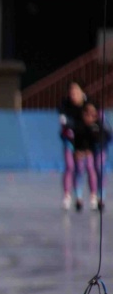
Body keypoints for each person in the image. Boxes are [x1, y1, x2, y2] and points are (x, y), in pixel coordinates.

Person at [73, 102, 111, 211]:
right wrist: (80, 151)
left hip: (99, 149)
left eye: (92, 113)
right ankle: (80, 197)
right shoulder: (80, 125)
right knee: (82, 168)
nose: (89, 116)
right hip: (86, 150)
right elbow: (78, 141)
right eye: (87, 113)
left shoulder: (99, 125)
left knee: (99, 168)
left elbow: (105, 137)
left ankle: (100, 197)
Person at [60, 82, 88, 210]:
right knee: (69, 166)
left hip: (81, 141)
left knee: (80, 168)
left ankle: (79, 195)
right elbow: (63, 126)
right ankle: (67, 196)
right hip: (69, 141)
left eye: (75, 93)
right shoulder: (65, 106)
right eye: (71, 93)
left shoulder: (86, 106)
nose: (73, 96)